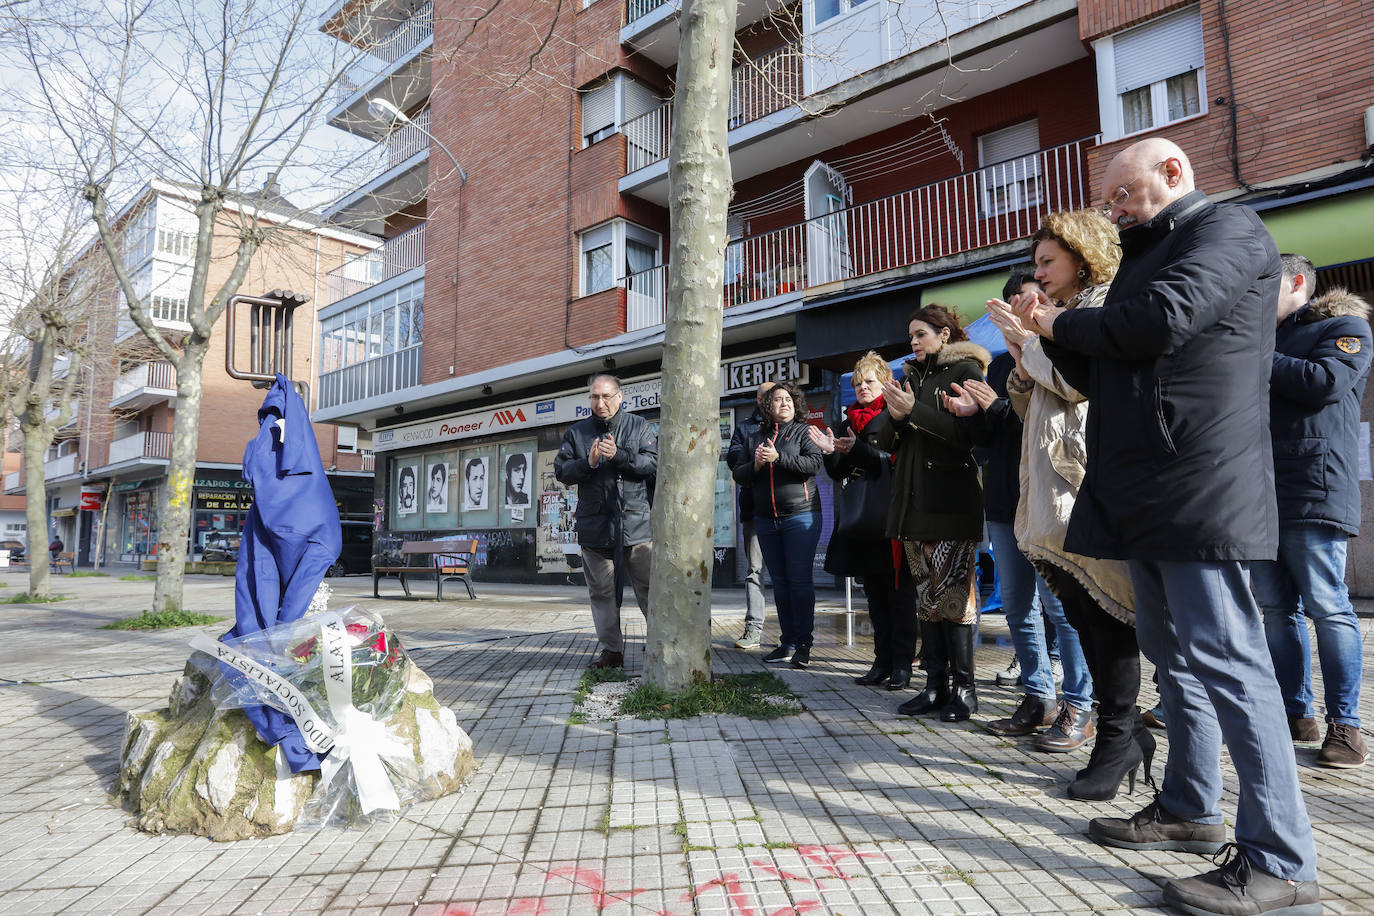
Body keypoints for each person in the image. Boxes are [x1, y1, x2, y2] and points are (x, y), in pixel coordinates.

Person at [1021, 137, 1319, 916]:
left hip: (1199, 485)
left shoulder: (1228, 231)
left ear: (1174, 173)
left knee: (1231, 664)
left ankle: (1281, 861)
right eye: (1110, 200)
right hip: (1144, 489)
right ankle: (1189, 807)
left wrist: (1060, 322)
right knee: (1173, 659)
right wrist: (1040, 334)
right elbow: (1101, 365)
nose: (1113, 211)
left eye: (1123, 194)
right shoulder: (1143, 254)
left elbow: (1161, 321)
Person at [956, 211, 1144, 800]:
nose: (1037, 274)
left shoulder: (1100, 308)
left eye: (1047, 262)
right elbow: (1026, 398)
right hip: (1048, 482)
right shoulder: (1060, 316)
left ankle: (1114, 733)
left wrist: (1029, 338)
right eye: (1035, 263)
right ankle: (1114, 732)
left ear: (1084, 258)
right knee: (1081, 612)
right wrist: (1020, 349)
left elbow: (1074, 382)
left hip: (1085, 478)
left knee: (1104, 612)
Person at [952, 268, 1090, 746]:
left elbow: (1048, 422)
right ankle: (1038, 696)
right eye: (1017, 304)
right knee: (1017, 606)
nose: (1026, 311)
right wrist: (971, 416)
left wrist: (995, 407)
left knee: (1060, 607)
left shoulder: (1063, 352)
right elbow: (993, 438)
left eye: (1034, 300)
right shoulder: (996, 367)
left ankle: (1079, 704)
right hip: (1004, 500)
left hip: (1051, 497)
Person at [1253, 252, 1371, 768]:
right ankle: (1294, 712)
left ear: (1297, 281)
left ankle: (1346, 725)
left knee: (1328, 605)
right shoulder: (1264, 338)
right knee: (1277, 610)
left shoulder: (1345, 328)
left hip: (1315, 489)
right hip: (1259, 496)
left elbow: (1324, 382)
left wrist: (1255, 353)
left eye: (1265, 283)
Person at [876, 304, 990, 723]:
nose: (913, 342)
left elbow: (968, 436)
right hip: (912, 506)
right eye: (910, 336)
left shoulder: (967, 371)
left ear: (944, 334)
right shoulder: (910, 376)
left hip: (950, 502)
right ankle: (934, 685)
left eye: (920, 334)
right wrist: (895, 416)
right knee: (927, 602)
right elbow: (886, 442)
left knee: (955, 601)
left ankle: (965, 690)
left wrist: (914, 412)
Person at [811, 352, 918, 689]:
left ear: (885, 383)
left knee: (899, 594)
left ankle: (902, 664)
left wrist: (856, 450)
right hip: (863, 518)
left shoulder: (895, 414)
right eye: (858, 383)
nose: (862, 388)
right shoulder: (849, 421)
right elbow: (839, 473)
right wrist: (830, 452)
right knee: (874, 596)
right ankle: (881, 661)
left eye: (869, 381)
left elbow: (893, 460)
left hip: (893, 515)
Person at [554, 374, 658, 669]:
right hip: (594, 526)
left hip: (636, 525)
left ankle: (660, 643)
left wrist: (620, 456)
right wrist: (587, 463)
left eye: (606, 396)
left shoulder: (639, 426)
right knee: (601, 592)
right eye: (594, 397)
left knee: (650, 589)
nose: (600, 402)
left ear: (620, 397)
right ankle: (612, 651)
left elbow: (653, 463)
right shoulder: (577, 432)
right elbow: (562, 471)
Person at [729, 381, 823, 668]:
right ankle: (787, 643)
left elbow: (813, 464)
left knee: (799, 581)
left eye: (789, 400)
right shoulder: (755, 437)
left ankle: (804, 644)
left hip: (800, 515)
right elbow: (739, 474)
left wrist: (779, 458)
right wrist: (756, 465)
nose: (784, 404)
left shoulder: (804, 431)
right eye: (778, 400)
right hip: (765, 519)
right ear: (767, 406)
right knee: (780, 584)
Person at [726, 381, 775, 650]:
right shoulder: (745, 428)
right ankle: (753, 629)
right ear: (759, 400)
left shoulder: (790, 426)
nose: (776, 401)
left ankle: (795, 635)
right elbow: (734, 460)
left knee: (788, 573)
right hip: (754, 510)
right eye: (769, 396)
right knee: (755, 570)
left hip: (788, 510)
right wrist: (755, 456)